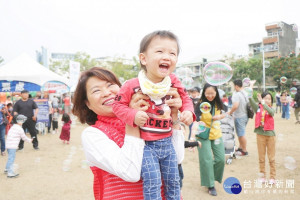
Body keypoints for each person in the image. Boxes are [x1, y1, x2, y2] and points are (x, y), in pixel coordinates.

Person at [72, 67, 183, 200]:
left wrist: (174, 116)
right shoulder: (92, 134)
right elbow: (130, 172)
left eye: (110, 85)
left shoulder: (150, 119)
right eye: (96, 90)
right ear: (87, 104)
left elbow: (177, 159)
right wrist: (131, 118)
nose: (107, 93)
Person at [113, 30, 195, 200]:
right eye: (160, 51)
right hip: (147, 147)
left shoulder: (174, 81)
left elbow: (186, 99)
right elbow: (117, 106)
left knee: (174, 181)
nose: (167, 56)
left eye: (172, 53)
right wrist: (133, 115)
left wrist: (188, 111)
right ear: (144, 59)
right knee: (152, 182)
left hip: (168, 144)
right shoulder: (132, 85)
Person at [191, 83, 226, 196]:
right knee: (206, 160)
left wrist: (220, 116)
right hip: (203, 134)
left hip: (216, 134)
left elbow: (225, 113)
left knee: (221, 159)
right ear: (204, 93)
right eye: (208, 93)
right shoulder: (200, 104)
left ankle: (210, 175)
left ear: (216, 93)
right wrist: (198, 122)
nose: (210, 95)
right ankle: (210, 185)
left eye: (212, 93)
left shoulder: (219, 103)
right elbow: (195, 118)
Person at [249, 91, 276, 184]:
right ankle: (262, 176)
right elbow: (251, 100)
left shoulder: (271, 109)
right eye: (265, 98)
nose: (267, 100)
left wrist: (263, 103)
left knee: (271, 158)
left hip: (270, 136)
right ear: (261, 99)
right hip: (260, 135)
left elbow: (271, 112)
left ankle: (272, 177)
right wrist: (250, 89)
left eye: (269, 99)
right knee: (261, 157)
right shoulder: (258, 109)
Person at [228, 80, 249, 156]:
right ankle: (240, 147)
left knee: (241, 134)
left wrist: (229, 112)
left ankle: (244, 150)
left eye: (233, 86)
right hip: (245, 115)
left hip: (239, 116)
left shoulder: (237, 94)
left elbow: (236, 106)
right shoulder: (244, 92)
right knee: (241, 133)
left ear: (236, 86)